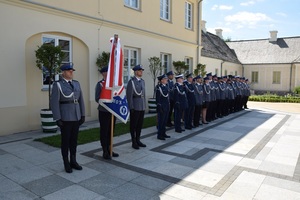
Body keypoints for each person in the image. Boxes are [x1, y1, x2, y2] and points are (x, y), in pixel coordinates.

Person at [50, 63, 85, 173]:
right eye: (69, 71)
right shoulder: (58, 85)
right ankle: (66, 163)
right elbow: (54, 102)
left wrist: (82, 114)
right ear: (63, 72)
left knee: (74, 140)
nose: (71, 72)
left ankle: (73, 161)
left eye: (72, 71)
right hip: (65, 117)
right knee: (65, 141)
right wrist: (57, 118)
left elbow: (81, 100)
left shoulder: (76, 84)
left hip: (76, 116)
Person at [95, 66, 119, 160]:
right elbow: (97, 98)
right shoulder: (100, 84)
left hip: (113, 111)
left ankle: (110, 148)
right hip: (104, 111)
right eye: (107, 72)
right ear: (103, 73)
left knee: (111, 131)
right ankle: (104, 150)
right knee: (104, 131)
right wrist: (106, 102)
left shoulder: (114, 85)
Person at [126, 64, 147, 149]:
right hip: (135, 105)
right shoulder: (131, 82)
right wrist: (131, 107)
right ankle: (133, 141)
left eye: (141, 70)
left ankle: (138, 139)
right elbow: (129, 95)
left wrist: (144, 105)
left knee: (139, 124)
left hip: (141, 105)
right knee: (133, 125)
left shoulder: (142, 81)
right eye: (140, 70)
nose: (141, 71)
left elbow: (144, 94)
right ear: (135, 72)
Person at [156, 74, 170, 140]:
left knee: (165, 121)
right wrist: (159, 105)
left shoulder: (166, 86)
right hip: (162, 106)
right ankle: (159, 134)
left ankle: (163, 133)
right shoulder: (159, 88)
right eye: (165, 79)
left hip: (166, 105)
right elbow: (158, 98)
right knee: (161, 121)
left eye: (166, 79)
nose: (166, 80)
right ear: (162, 80)